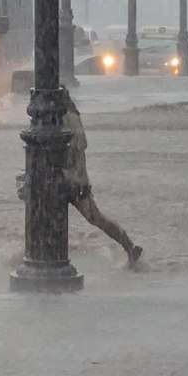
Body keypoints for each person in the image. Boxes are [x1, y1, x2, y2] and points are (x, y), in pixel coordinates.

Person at [63, 94, 141, 267]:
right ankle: (129, 246)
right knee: (96, 218)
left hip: (67, 181)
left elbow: (75, 147)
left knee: (46, 222)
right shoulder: (73, 117)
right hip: (77, 180)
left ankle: (47, 258)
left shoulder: (66, 118)